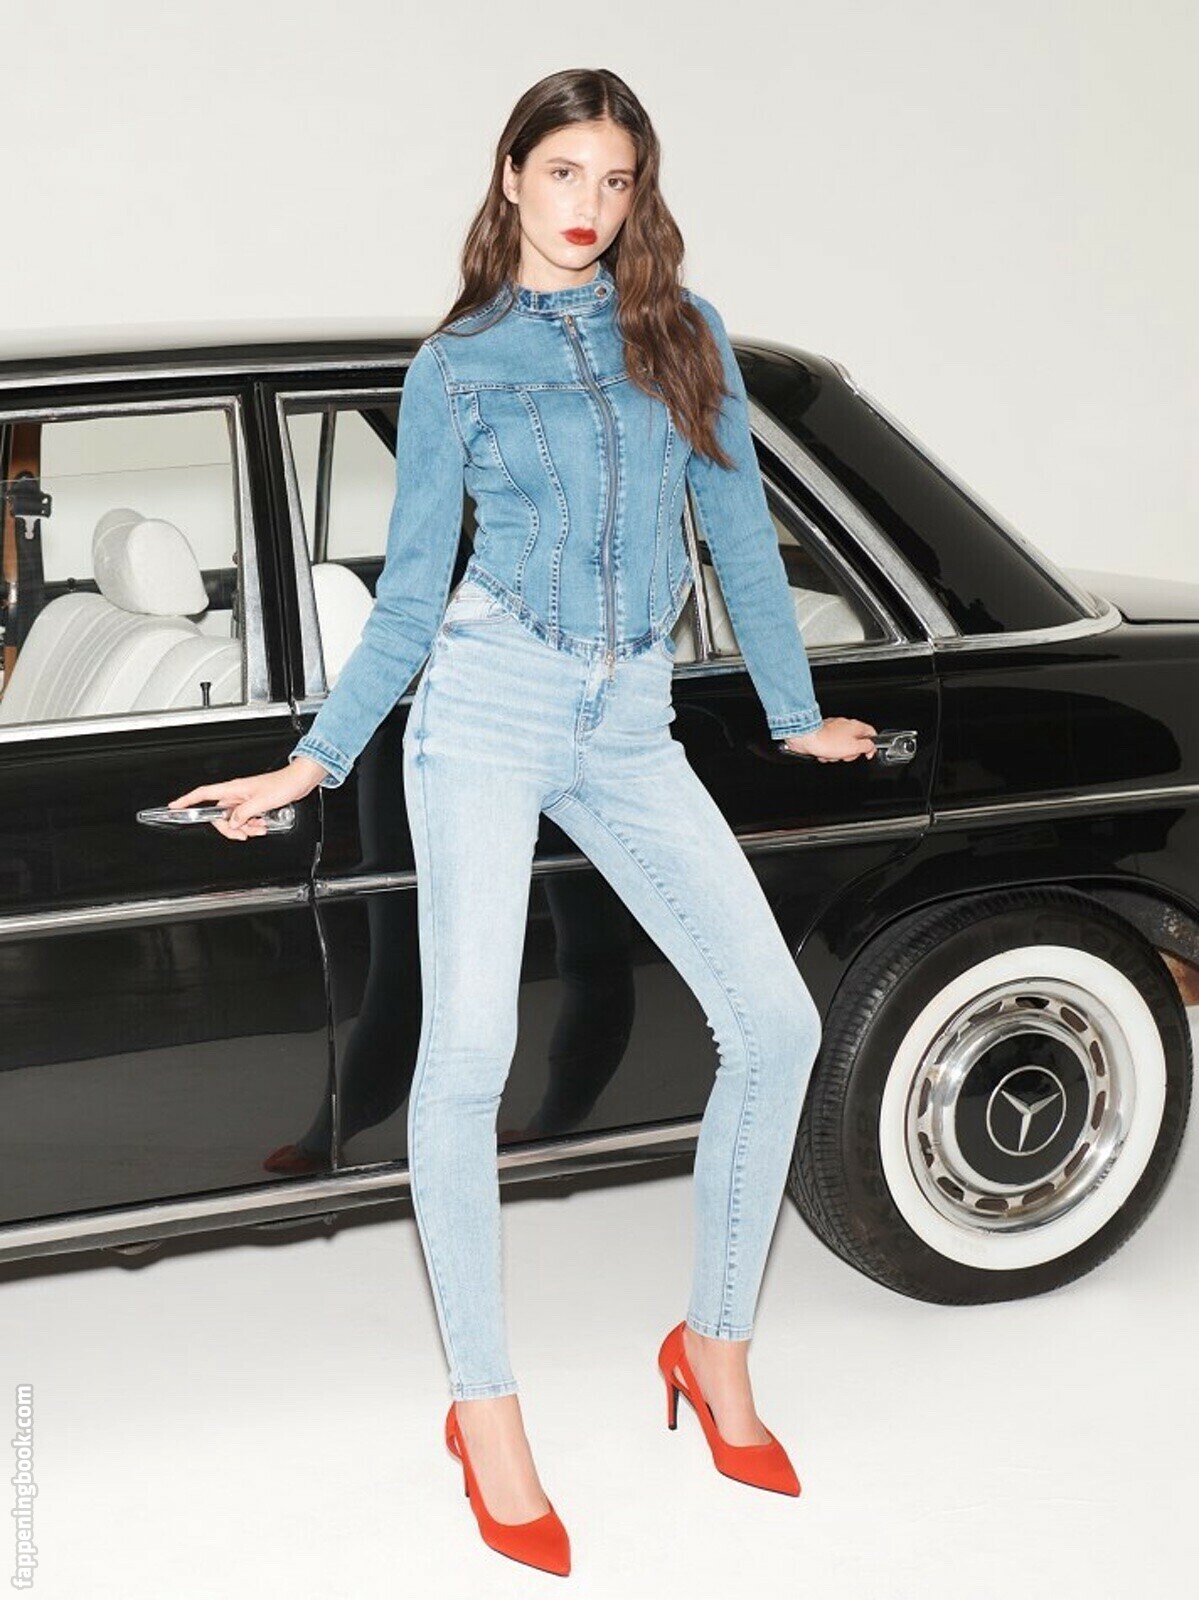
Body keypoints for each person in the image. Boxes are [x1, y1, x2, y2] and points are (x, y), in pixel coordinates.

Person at [169, 66, 877, 1578]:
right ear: (510, 177)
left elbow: (742, 535)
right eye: (563, 173)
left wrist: (790, 706)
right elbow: (412, 591)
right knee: (468, 1056)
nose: (588, 206)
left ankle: (715, 1345)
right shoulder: (459, 367)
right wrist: (312, 762)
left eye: (615, 181)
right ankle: (485, 1412)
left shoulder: (682, 335)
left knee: (775, 1023)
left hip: (631, 723)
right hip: (485, 709)